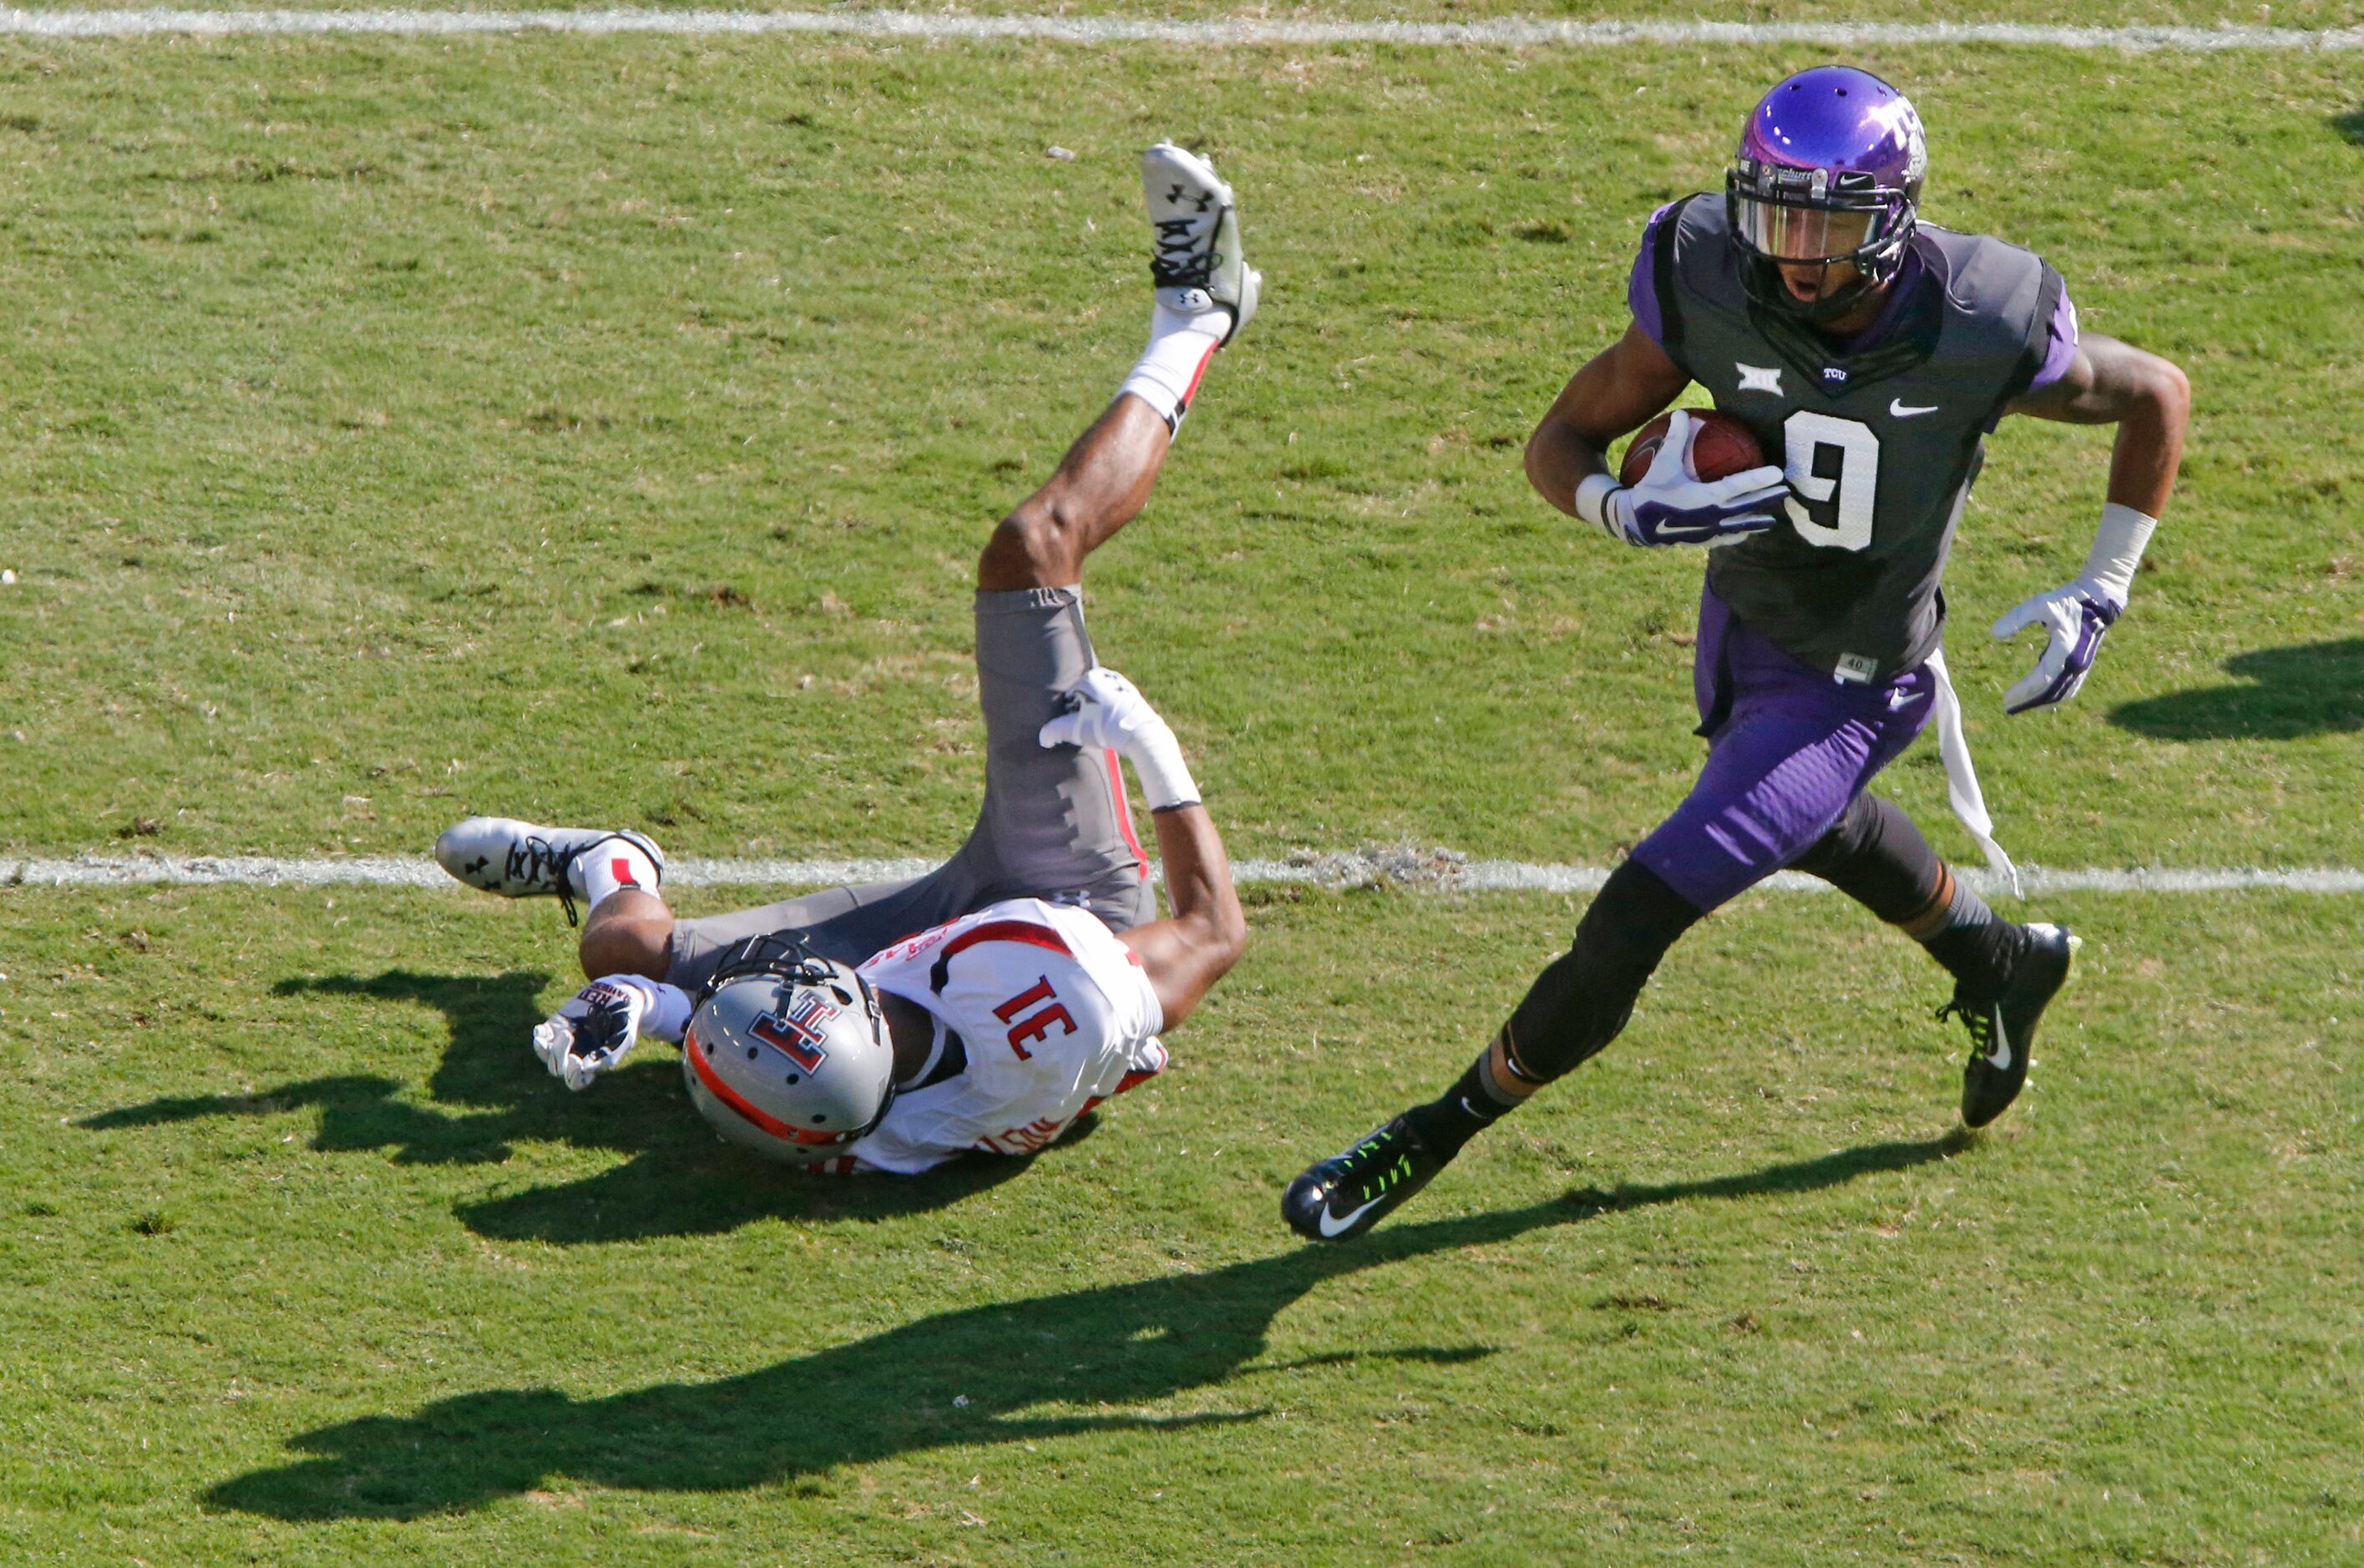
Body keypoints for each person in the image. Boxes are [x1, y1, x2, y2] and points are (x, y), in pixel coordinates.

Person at [1286, 66, 2190, 1242]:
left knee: (1630, 918)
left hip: (1858, 683)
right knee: (1795, 819)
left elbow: (2153, 394)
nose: (1792, 252)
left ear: (1894, 215)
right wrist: (1613, 508)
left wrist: (2102, 586)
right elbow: (1561, 436)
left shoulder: (1983, 316)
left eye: (1823, 223)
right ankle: (1998, 960)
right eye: (1773, 215)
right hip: (1746, 622)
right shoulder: (1703, 267)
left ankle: (1428, 1129)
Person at [433, 143, 1257, 1174]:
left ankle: (609, 861)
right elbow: (1215, 932)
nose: (791, 977)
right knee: (1029, 551)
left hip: (940, 981)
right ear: (856, 1002)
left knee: (618, 949)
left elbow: (764, 1067)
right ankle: (1199, 312)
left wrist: (648, 1006)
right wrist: (1148, 746)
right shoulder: (1064, 985)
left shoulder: (850, 1116)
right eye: (805, 985)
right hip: (1057, 899)